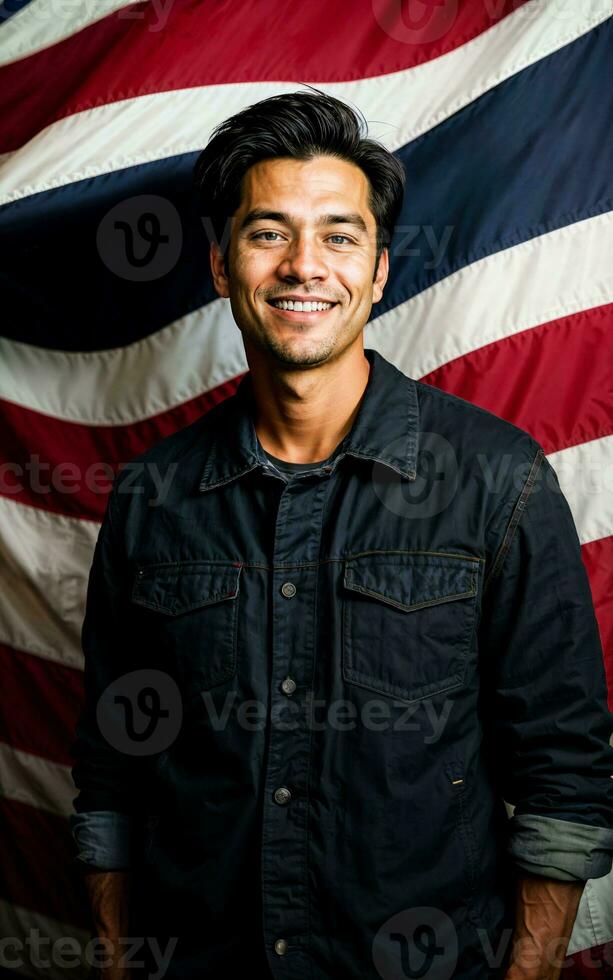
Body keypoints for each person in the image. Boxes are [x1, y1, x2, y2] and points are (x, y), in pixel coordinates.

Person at [70, 89, 613, 980]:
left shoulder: (495, 480)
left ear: (379, 269)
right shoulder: (153, 496)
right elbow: (112, 770)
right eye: (268, 232)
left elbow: (560, 765)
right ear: (219, 265)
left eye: (338, 234)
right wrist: (119, 961)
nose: (303, 266)